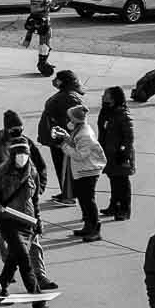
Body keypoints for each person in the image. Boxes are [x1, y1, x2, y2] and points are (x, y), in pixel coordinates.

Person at [0, 140, 56, 308]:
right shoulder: (1, 172)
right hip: (8, 220)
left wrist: (38, 220)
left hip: (27, 221)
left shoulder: (32, 171)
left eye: (25, 154)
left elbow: (35, 200)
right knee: (25, 260)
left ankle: (1, 287)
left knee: (13, 258)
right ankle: (39, 303)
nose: (22, 158)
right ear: (12, 156)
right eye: (18, 154)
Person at [57, 104, 109, 242]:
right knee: (83, 199)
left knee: (88, 200)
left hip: (88, 171)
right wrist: (66, 137)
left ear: (75, 119)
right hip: (83, 170)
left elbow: (80, 155)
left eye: (70, 117)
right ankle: (88, 226)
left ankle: (95, 229)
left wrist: (64, 146)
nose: (69, 120)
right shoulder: (79, 130)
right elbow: (75, 143)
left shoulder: (85, 134)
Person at [40, 70, 84, 204]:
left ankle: (69, 196)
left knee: (65, 168)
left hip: (62, 140)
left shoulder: (68, 98)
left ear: (64, 81)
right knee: (62, 167)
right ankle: (66, 192)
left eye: (57, 79)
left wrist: (63, 138)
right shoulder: (66, 95)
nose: (55, 81)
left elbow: (71, 120)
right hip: (58, 138)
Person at [99, 86, 136, 221]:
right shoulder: (106, 111)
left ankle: (124, 210)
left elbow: (129, 137)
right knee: (114, 180)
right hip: (109, 152)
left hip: (120, 155)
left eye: (106, 94)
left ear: (114, 98)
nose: (103, 96)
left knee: (122, 182)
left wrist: (124, 154)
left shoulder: (123, 114)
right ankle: (114, 206)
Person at [22, 0, 56, 76]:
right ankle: (42, 63)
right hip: (43, 22)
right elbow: (51, 3)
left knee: (45, 42)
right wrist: (64, 0)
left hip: (35, 20)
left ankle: (43, 61)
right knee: (45, 42)